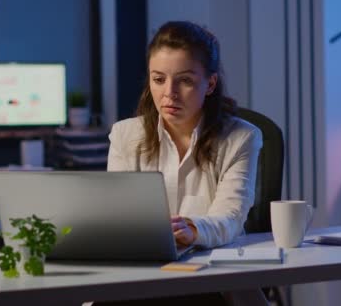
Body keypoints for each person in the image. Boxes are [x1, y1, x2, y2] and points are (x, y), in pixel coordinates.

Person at [106, 21, 266, 305]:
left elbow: (230, 218)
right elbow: (119, 219)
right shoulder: (124, 135)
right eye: (158, 79)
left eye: (186, 81)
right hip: (140, 278)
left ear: (210, 84)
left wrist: (193, 230)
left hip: (211, 280)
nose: (170, 93)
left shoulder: (241, 137)